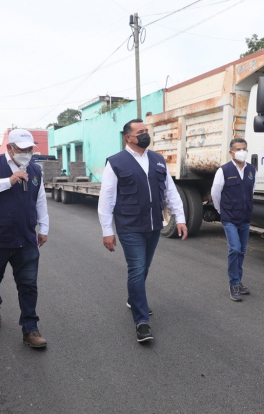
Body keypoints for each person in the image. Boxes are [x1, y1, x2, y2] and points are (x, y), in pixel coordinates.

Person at [98, 119, 188, 343]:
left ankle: (133, 298)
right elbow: (106, 200)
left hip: (153, 226)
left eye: (147, 131)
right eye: (141, 132)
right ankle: (141, 322)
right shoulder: (116, 163)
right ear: (128, 137)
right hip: (130, 227)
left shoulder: (157, 160)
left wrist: (181, 218)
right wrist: (107, 231)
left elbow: (170, 192)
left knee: (144, 267)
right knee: (137, 269)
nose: (146, 135)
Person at [0, 129, 49, 348]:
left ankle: (30, 329)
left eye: (29, 149)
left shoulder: (35, 170)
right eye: (21, 149)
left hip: (25, 238)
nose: (26, 153)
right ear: (9, 148)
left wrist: (44, 227)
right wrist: (9, 180)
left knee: (28, 285)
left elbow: (40, 200)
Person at [211, 138, 256, 302]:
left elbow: (252, 191)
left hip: (245, 217)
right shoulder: (223, 170)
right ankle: (234, 284)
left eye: (244, 148)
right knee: (235, 249)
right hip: (229, 217)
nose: (242, 151)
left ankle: (238, 280)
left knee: (242, 250)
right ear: (231, 152)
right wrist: (221, 211)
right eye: (238, 149)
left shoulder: (251, 170)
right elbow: (215, 193)